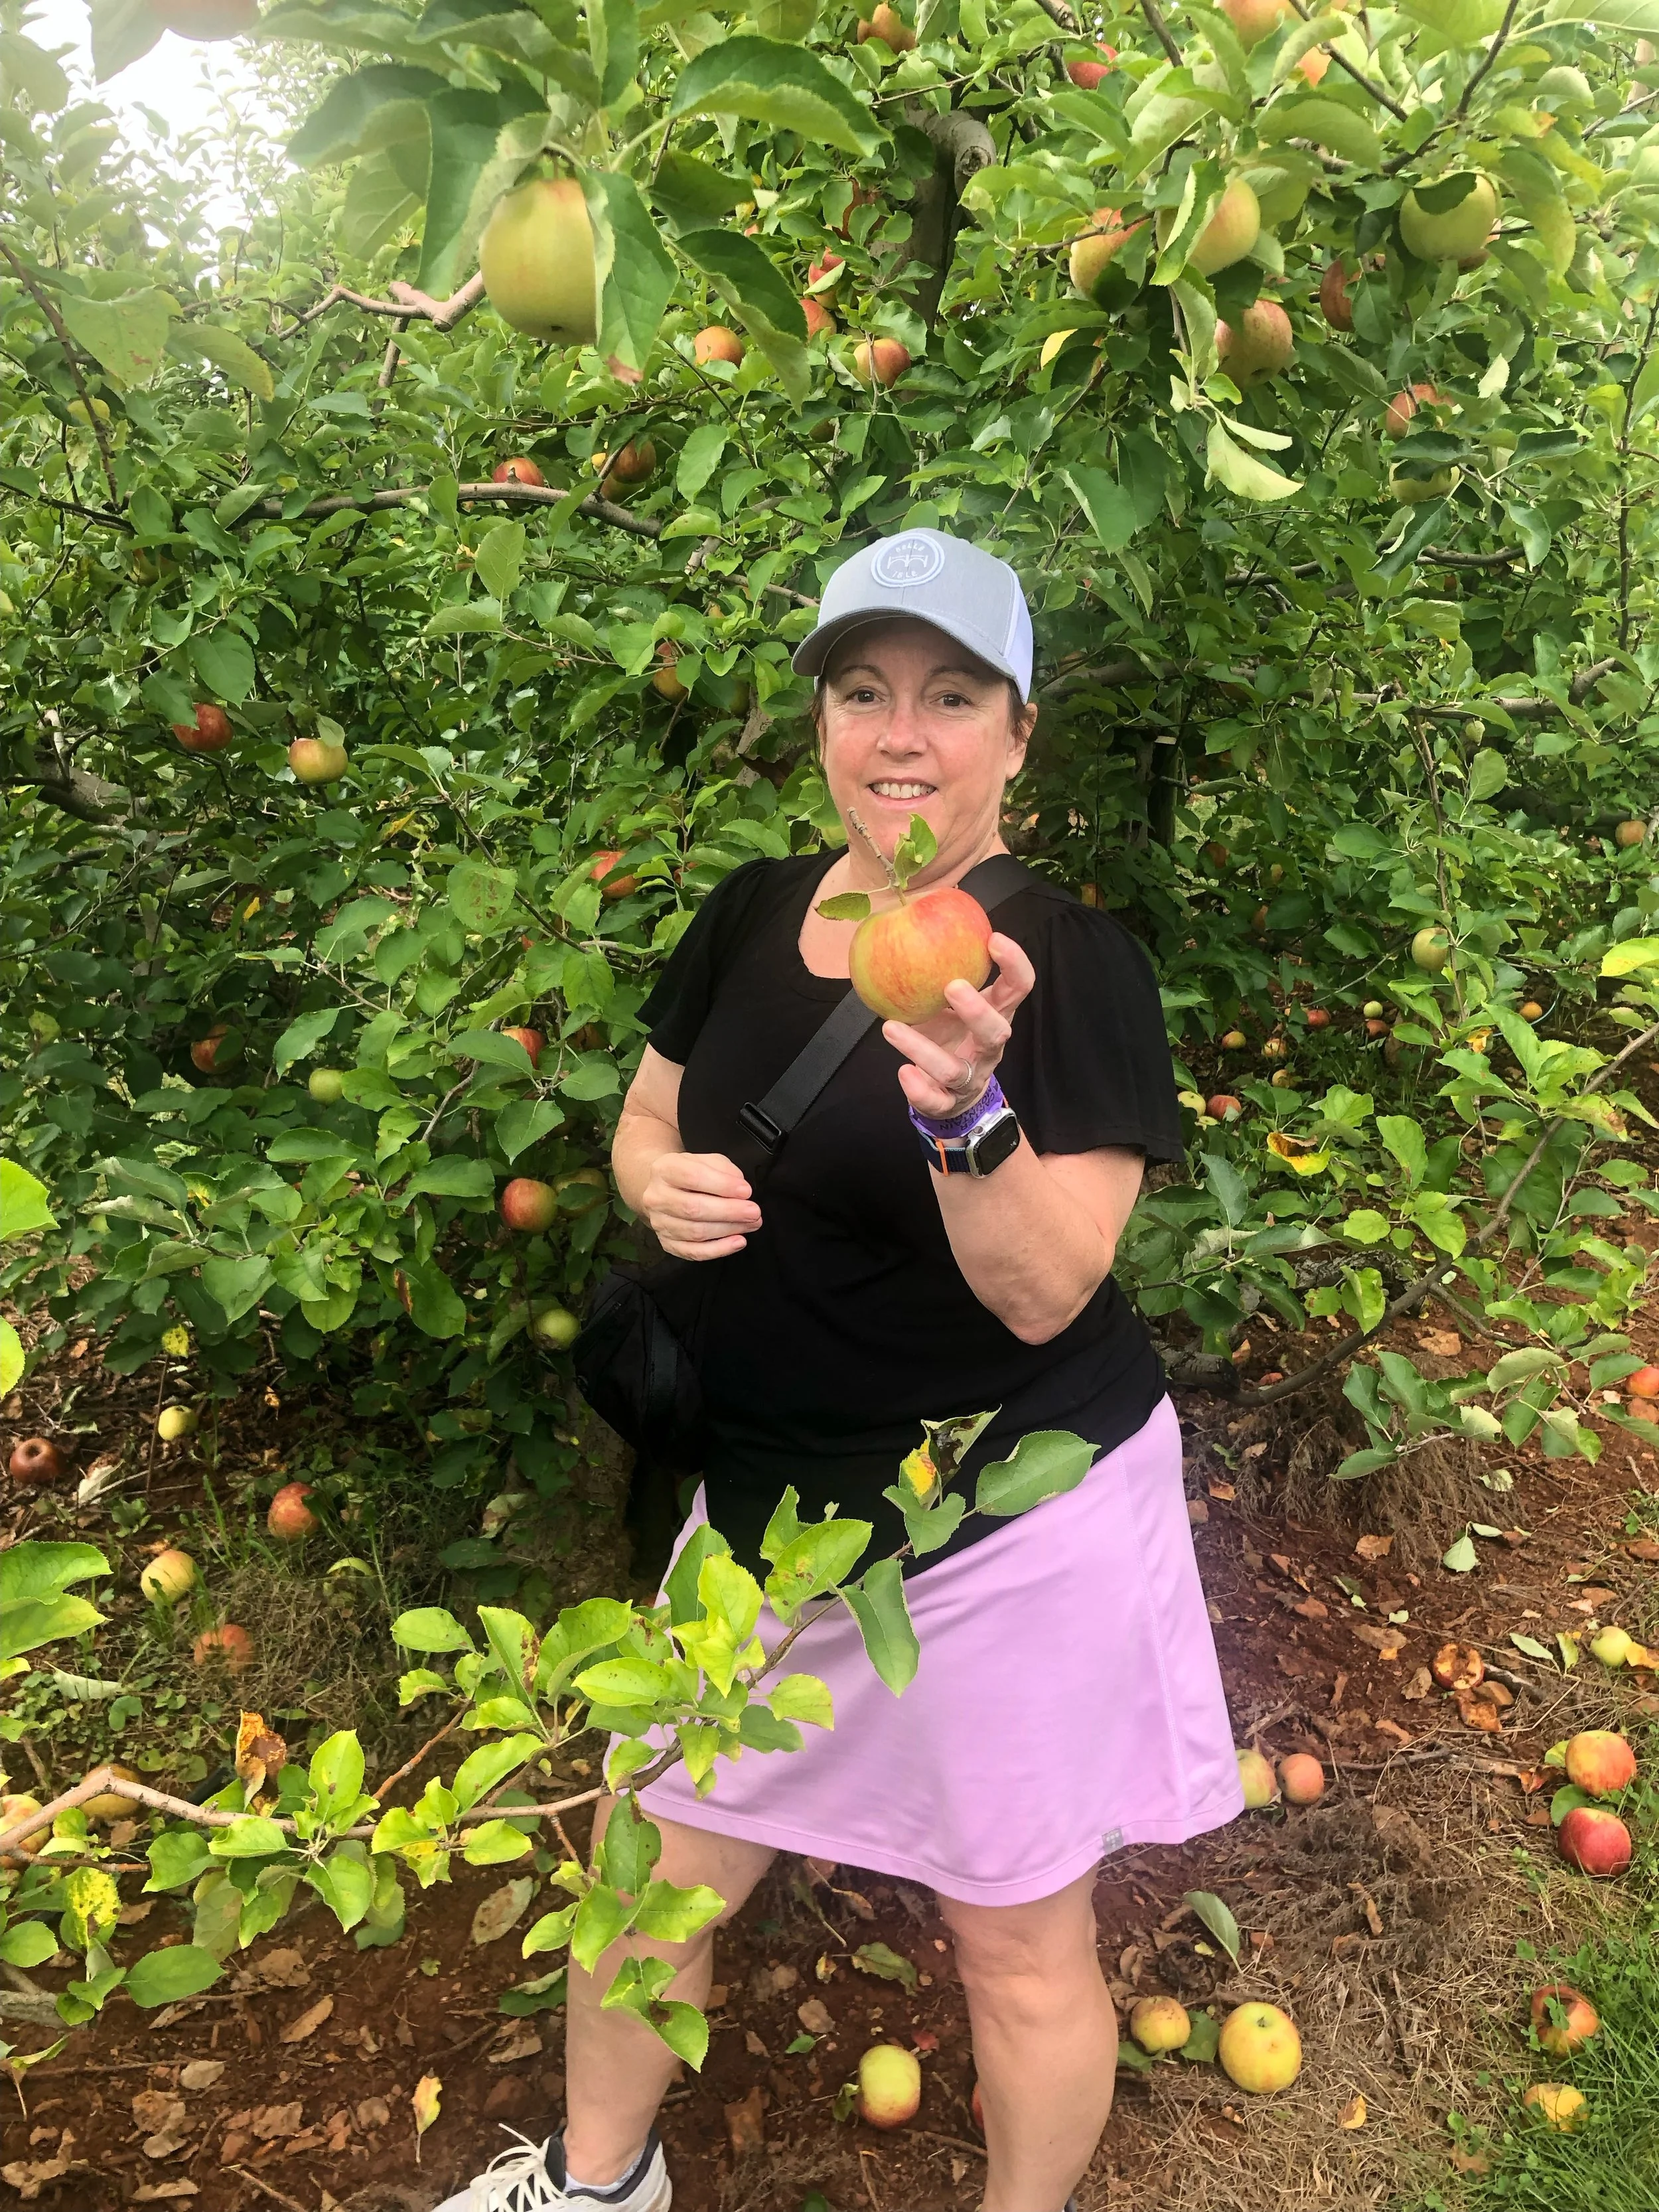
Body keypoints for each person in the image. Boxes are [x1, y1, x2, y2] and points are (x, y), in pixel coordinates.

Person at [436, 529, 1242, 2212]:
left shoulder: (1071, 967)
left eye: (950, 695)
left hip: (1003, 1529)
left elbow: (1046, 1291)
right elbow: (649, 1110)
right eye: (863, 690)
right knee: (645, 1868)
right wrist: (644, 1174)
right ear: (818, 722)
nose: (899, 734)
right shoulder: (744, 916)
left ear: (1017, 736)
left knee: (1013, 1943)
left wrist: (965, 1104)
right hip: (764, 1521)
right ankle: (593, 2186)